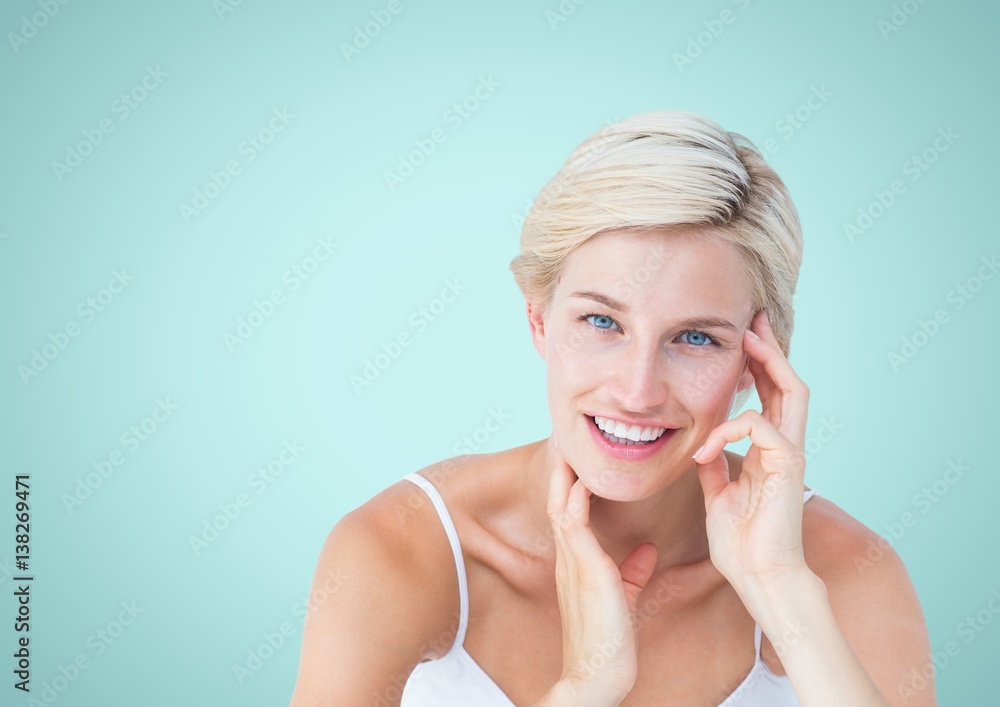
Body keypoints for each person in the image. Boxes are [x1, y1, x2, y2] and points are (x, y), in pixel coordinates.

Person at [288, 111, 934, 706]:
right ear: (538, 320)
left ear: (756, 360)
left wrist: (782, 587)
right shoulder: (404, 546)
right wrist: (585, 687)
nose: (636, 390)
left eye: (696, 337)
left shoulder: (843, 568)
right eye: (602, 320)